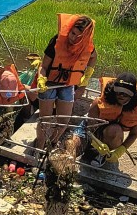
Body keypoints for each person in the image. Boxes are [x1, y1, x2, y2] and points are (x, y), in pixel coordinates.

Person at [33, 13, 96, 154]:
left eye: (78, 37)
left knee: (64, 120)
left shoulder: (88, 46)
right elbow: (43, 66)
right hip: (49, 82)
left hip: (68, 84)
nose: (73, 38)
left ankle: (52, 143)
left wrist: (84, 82)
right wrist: (41, 80)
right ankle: (39, 146)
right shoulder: (57, 41)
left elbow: (93, 58)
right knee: (45, 120)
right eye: (72, 33)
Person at [82, 72, 137, 166]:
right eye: (119, 92)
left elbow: (134, 133)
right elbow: (88, 128)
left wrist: (120, 151)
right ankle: (91, 149)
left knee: (115, 130)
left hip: (113, 134)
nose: (121, 95)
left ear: (132, 94)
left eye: (125, 94)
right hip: (93, 132)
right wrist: (96, 143)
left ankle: (102, 155)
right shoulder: (99, 103)